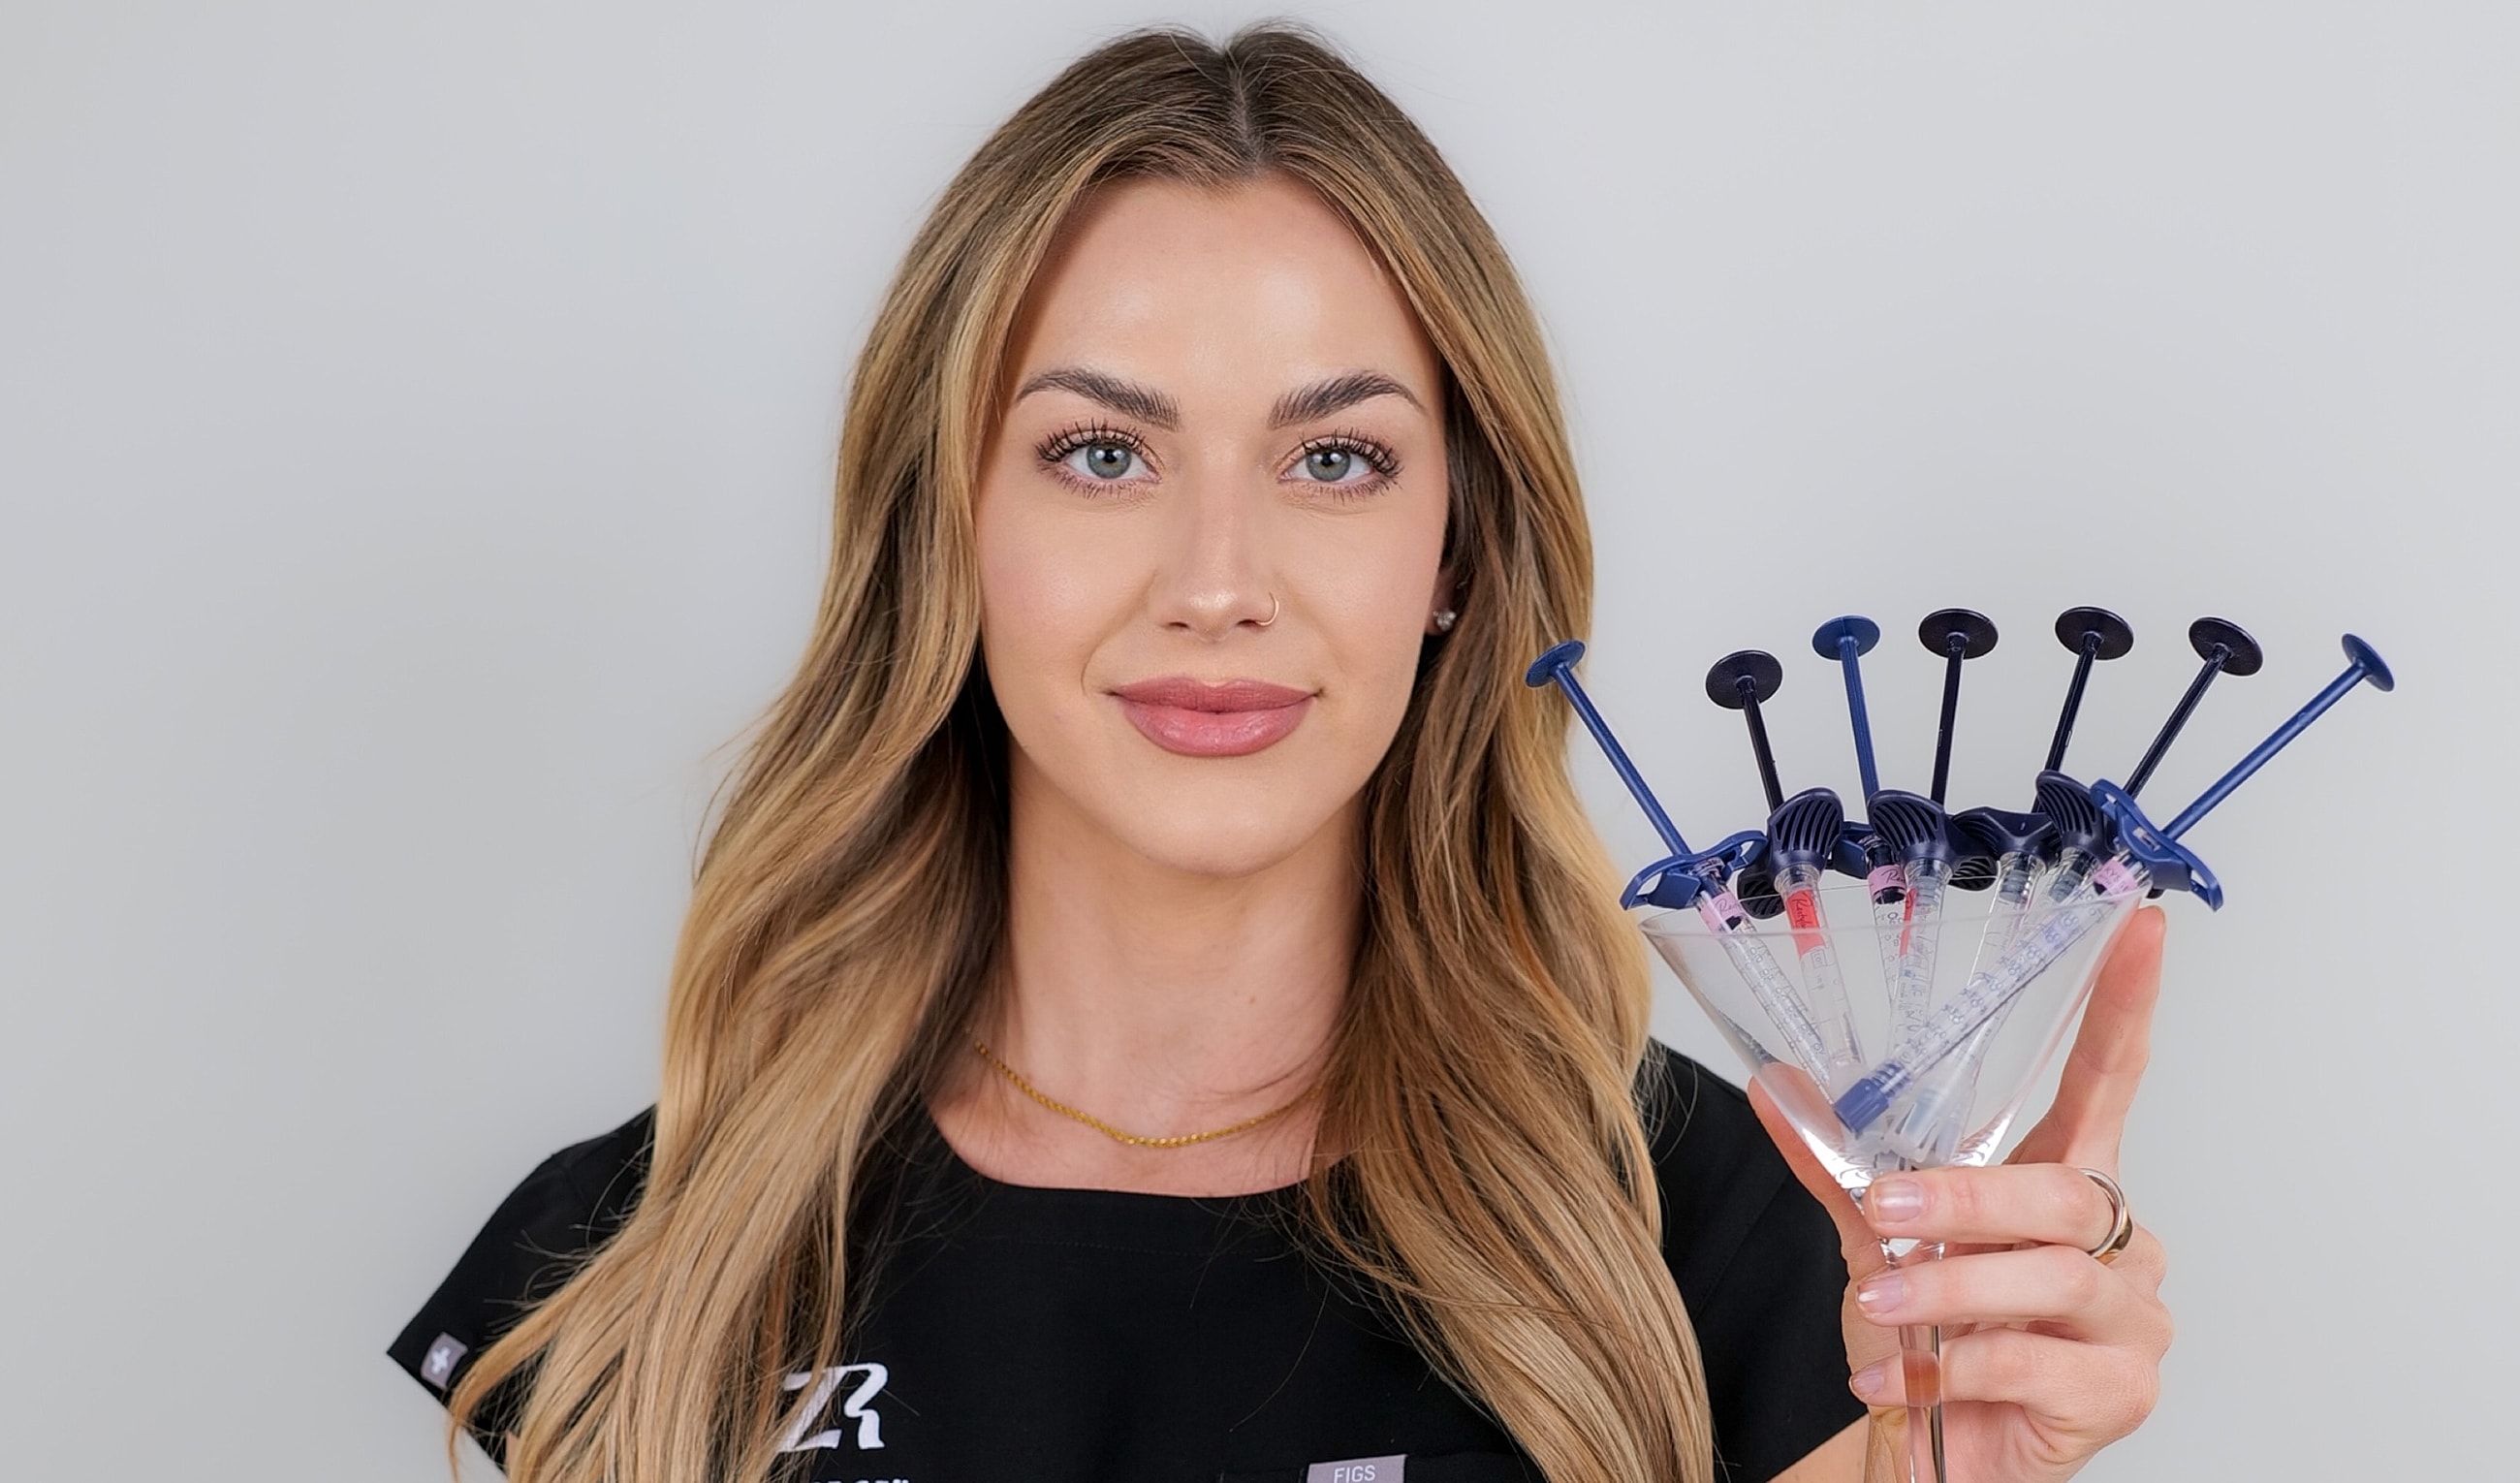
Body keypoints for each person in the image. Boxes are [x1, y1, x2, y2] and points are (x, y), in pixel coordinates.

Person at [389, 24, 2171, 1483]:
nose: (1219, 582)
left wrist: (1956, 1479)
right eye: (1102, 453)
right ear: (947, 528)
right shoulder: (630, 1270)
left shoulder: (1718, 1246)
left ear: (1456, 552)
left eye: (1335, 460)